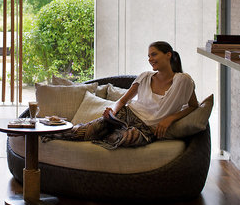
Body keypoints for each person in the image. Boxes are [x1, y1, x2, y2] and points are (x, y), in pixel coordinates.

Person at [50, 41, 198, 149]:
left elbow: (193, 106)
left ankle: (102, 132)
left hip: (145, 129)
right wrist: (112, 111)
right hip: (126, 115)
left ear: (168, 55)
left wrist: (170, 119)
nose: (150, 59)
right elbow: (122, 101)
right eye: (148, 56)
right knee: (86, 131)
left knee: (124, 138)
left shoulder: (183, 80)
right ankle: (49, 131)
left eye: (154, 54)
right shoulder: (145, 76)